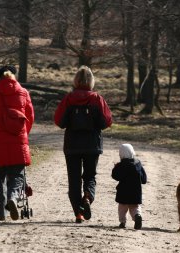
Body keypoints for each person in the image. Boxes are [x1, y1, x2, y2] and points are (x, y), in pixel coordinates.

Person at [54, 65, 112, 223]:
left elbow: (59, 121)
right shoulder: (97, 99)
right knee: (90, 176)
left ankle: (78, 213)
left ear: (76, 80)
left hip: (72, 145)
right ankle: (87, 198)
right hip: (92, 144)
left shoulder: (69, 98)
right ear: (91, 81)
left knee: (73, 181)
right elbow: (106, 121)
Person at [0, 65, 34, 221]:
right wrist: (24, 134)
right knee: (17, 175)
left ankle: (0, 212)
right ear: (14, 78)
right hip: (17, 141)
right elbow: (30, 118)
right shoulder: (24, 93)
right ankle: (13, 197)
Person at [112, 143, 147, 229]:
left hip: (123, 193)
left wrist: (115, 167)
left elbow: (115, 176)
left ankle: (122, 222)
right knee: (135, 208)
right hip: (136, 193)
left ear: (121, 154)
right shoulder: (138, 164)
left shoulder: (121, 165)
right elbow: (144, 179)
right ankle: (137, 216)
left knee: (122, 209)